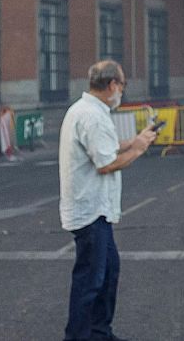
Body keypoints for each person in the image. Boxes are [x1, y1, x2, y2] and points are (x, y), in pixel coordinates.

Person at [57, 59, 158, 341]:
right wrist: (137, 149)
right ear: (112, 85)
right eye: (122, 85)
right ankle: (78, 336)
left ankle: (100, 332)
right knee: (91, 281)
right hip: (91, 211)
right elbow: (106, 164)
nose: (122, 91)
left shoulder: (85, 110)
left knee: (108, 272)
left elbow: (106, 147)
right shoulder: (93, 116)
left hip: (94, 210)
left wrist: (134, 141)